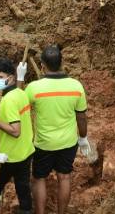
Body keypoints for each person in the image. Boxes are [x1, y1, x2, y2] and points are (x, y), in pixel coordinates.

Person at [26, 46, 93, 214]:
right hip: (68, 142)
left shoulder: (34, 88)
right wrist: (83, 138)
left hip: (43, 144)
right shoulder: (76, 86)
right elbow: (81, 117)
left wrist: (20, 80)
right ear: (62, 63)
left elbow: (18, 104)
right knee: (64, 177)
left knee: (39, 178)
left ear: (42, 65)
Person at [0, 58, 33, 214]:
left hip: (8, 156)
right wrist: (20, 78)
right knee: (24, 192)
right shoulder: (20, 92)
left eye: (0, 77)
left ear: (10, 78)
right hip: (25, 152)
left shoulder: (8, 100)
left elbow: (15, 131)